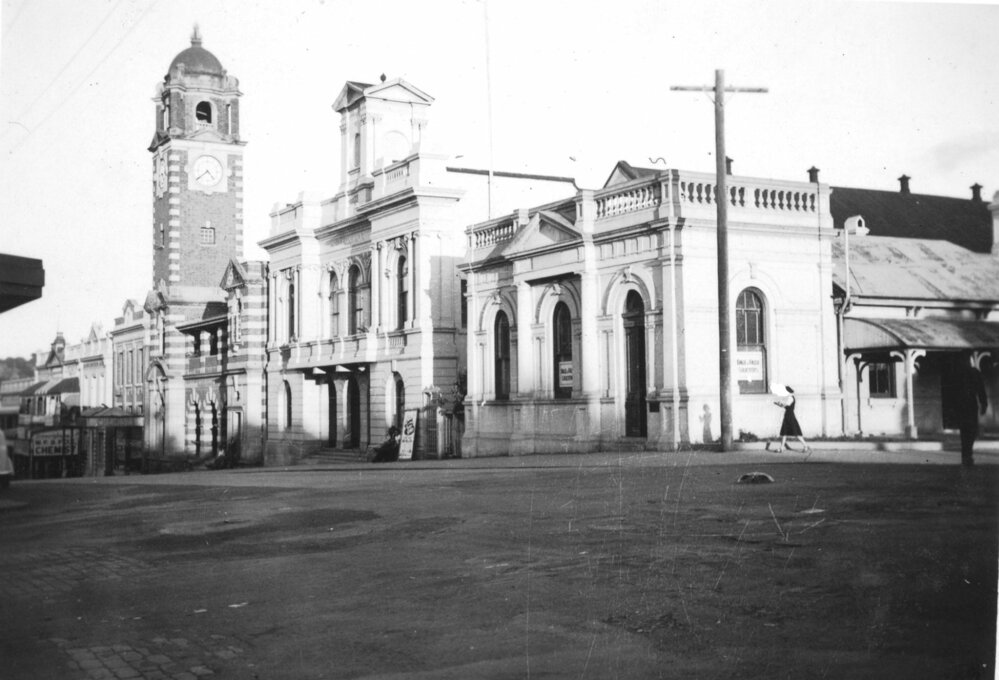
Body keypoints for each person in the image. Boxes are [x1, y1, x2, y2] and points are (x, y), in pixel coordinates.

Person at [955, 354, 988, 466]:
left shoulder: (968, 373)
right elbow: (981, 389)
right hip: (966, 405)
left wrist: (984, 403)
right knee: (968, 432)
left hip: (967, 405)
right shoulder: (965, 373)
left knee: (968, 432)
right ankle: (967, 456)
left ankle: (967, 455)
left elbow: (981, 389)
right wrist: (984, 403)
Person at [765, 386, 811, 453]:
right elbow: (785, 406)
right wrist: (778, 404)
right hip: (789, 415)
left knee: (794, 432)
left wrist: (778, 403)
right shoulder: (791, 397)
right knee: (785, 432)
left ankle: (805, 446)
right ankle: (781, 448)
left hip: (789, 416)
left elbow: (785, 405)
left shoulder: (790, 398)